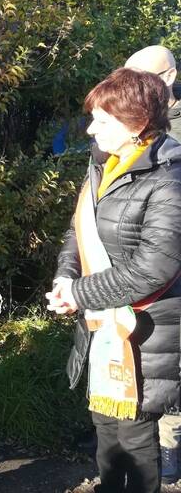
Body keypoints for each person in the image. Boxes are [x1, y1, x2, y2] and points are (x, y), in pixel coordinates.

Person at [47, 68, 181, 493]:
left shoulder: (168, 179)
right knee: (106, 432)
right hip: (103, 328)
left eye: (103, 121)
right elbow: (78, 230)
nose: (91, 128)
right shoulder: (102, 164)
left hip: (146, 333)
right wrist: (64, 278)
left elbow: (154, 266)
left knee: (136, 441)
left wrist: (80, 293)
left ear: (137, 123)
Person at [124, 44, 181, 483]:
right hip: (137, 259)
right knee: (139, 351)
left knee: (170, 360)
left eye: (141, 78)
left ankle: (169, 444)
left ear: (167, 78)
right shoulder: (137, 126)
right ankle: (132, 425)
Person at [126, 45, 181, 142]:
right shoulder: (121, 116)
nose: (129, 89)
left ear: (168, 77)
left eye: (140, 81)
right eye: (124, 82)